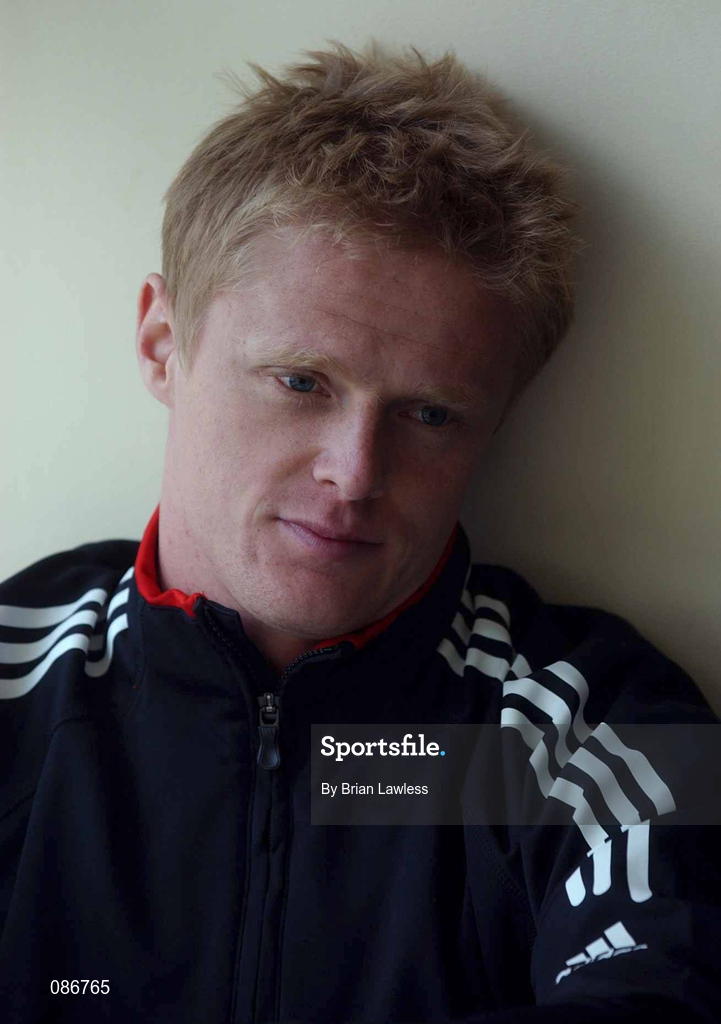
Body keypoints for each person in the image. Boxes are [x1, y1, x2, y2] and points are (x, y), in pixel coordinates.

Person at [0, 38, 719, 1024]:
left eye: (428, 414)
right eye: (301, 382)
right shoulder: (16, 686)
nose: (354, 475)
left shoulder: (592, 726)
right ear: (163, 346)